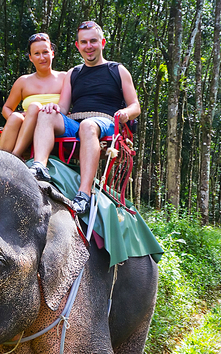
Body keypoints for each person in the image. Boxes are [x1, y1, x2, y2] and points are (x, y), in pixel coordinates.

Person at [29, 20, 141, 215]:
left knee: (88, 125)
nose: (88, 46)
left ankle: (84, 194)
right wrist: (53, 108)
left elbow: (135, 106)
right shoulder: (74, 73)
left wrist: (126, 113)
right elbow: (63, 107)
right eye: (84, 42)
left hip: (105, 121)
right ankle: (40, 166)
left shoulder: (117, 70)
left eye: (93, 41)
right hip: (76, 121)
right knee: (46, 114)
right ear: (78, 45)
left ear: (102, 43)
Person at [0, 33, 65, 157]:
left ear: (52, 54)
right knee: (16, 117)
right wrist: (22, 118)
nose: (42, 57)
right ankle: (0, 160)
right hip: (26, 126)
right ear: (30, 58)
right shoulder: (23, 81)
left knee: (34, 106)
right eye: (37, 54)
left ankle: (15, 156)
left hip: (52, 125)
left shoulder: (64, 78)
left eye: (45, 52)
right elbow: (6, 108)